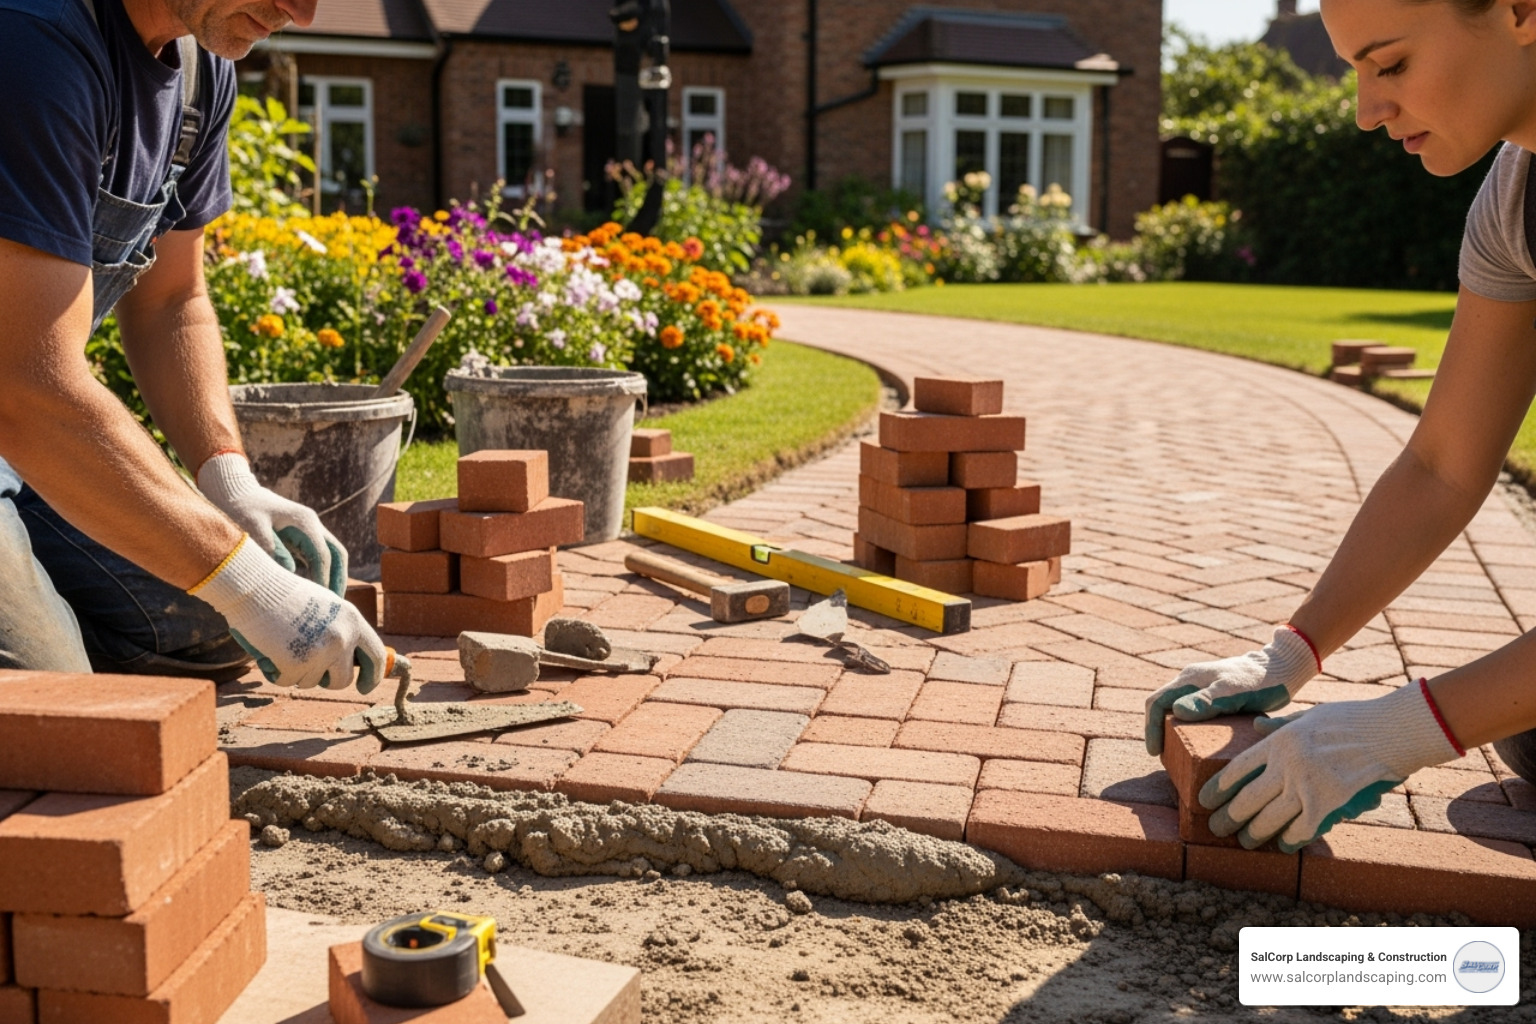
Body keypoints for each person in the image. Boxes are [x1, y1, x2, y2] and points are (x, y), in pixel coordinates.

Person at [1145, 0, 1536, 854]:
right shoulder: (1517, 199)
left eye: (1390, 65)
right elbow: (1442, 465)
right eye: (1355, 71)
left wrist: (1401, 729)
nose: (1366, 112)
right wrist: (1291, 653)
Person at [0, 0, 388, 692]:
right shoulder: (32, 44)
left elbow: (171, 300)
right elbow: (26, 387)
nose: (300, 14)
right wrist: (246, 583)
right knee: (49, 714)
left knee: (201, 627)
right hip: (23, 414)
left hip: (24, 450)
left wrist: (228, 485)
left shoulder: (198, 69)